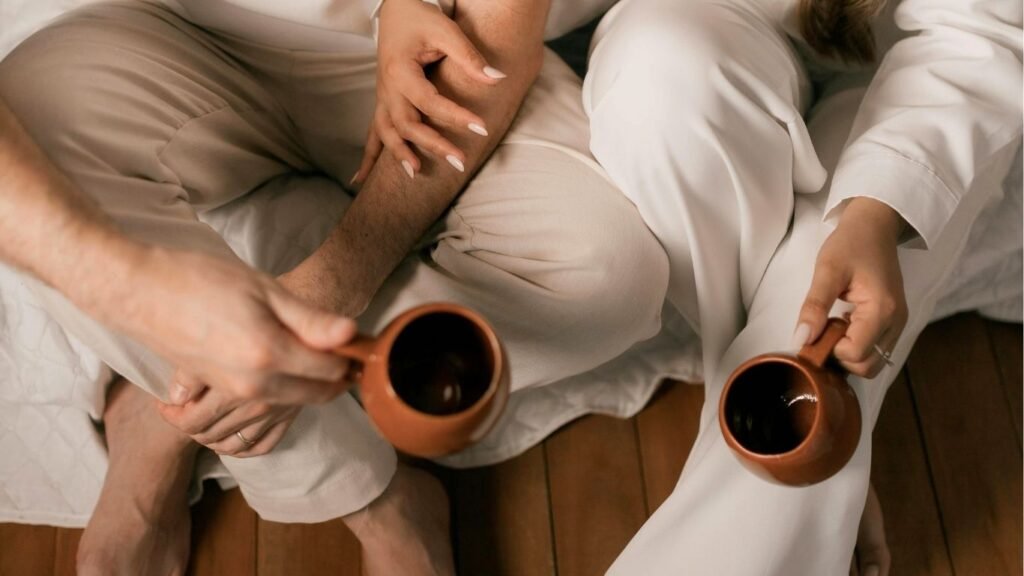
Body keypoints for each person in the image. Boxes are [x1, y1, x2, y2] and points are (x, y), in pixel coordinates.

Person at [0, 0, 669, 573]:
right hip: (165, 29)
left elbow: (498, 27)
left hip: (436, 37)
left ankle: (168, 395)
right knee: (31, 135)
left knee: (605, 276)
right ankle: (374, 503)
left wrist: (330, 285)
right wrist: (137, 290)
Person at [582, 0, 1020, 573]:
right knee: (655, 70)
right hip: (708, 33)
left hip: (915, 78)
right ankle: (789, 436)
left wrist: (877, 211)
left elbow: (976, 37)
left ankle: (776, 429)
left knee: (819, 332)